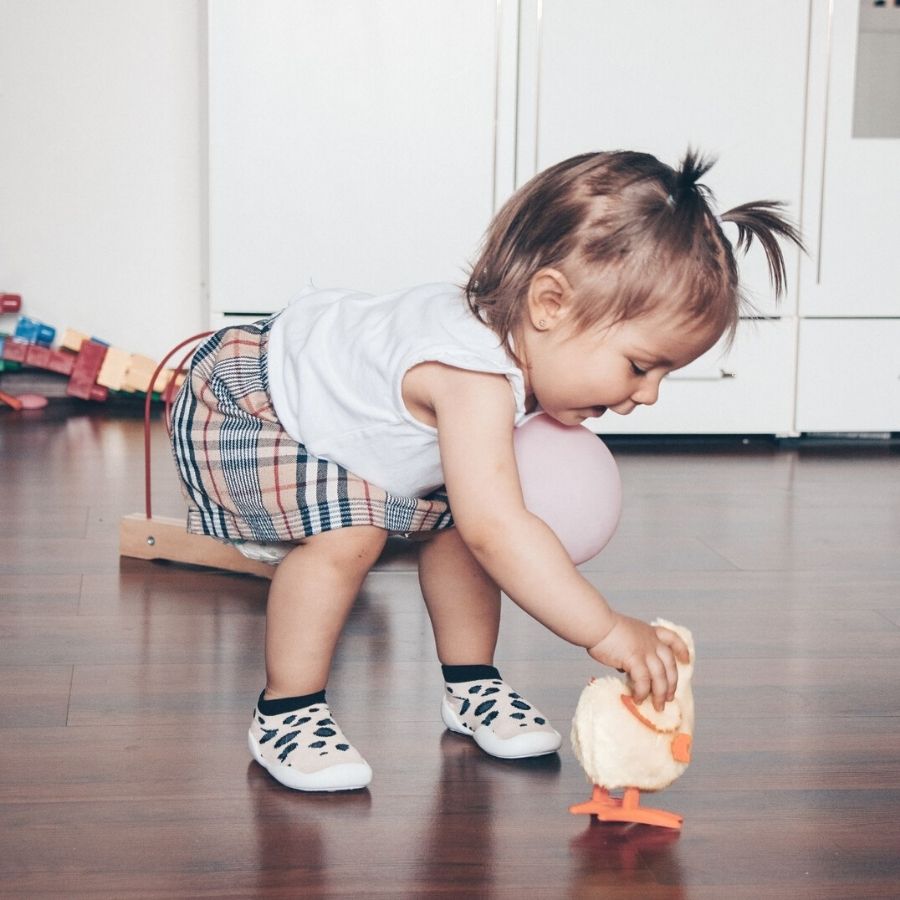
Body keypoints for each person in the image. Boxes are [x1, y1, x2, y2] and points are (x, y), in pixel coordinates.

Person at [170, 149, 802, 792]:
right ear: (549, 303)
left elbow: (480, 531)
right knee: (355, 536)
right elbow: (498, 530)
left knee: (456, 522)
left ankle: (472, 685)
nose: (648, 395)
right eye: (641, 366)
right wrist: (606, 631)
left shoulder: (515, 350)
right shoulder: (471, 376)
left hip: (342, 421)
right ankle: (287, 712)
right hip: (253, 407)